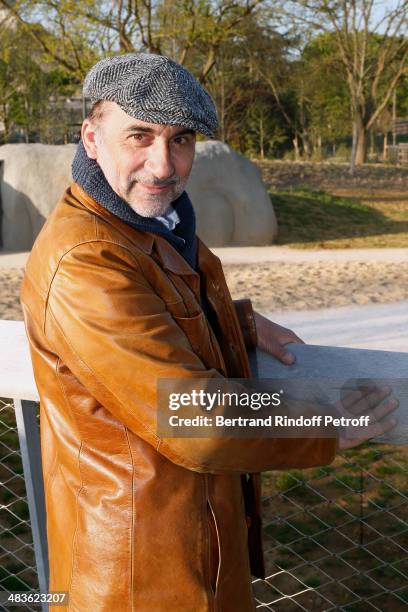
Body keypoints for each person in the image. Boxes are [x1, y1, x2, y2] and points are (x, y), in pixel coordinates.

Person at [20, 53, 396, 612]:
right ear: (91, 139)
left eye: (181, 140)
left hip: (179, 545)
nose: (163, 165)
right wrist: (325, 424)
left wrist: (234, 320)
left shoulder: (145, 224)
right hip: (140, 576)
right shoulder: (86, 259)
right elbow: (190, 415)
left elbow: (148, 311)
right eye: (139, 137)